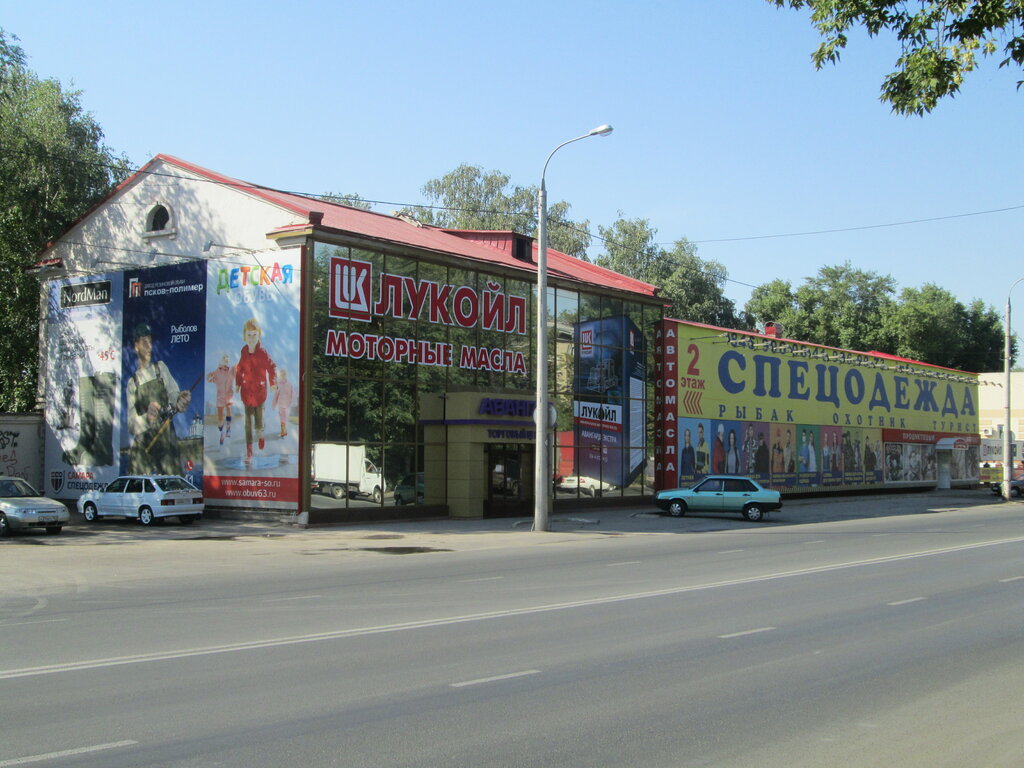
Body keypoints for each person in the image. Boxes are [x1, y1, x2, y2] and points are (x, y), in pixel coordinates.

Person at [126, 322, 190, 475]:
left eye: (150, 341)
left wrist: (181, 400)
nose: (148, 346)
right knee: (135, 487)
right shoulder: (132, 383)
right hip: (144, 445)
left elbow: (174, 396)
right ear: (136, 346)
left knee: (174, 485)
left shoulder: (161, 368)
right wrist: (147, 418)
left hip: (166, 438)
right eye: (143, 342)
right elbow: (131, 425)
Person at [235, 318, 276, 466]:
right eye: (249, 335)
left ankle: (260, 435)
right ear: (244, 336)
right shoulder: (244, 351)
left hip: (259, 394)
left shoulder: (263, 353)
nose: (251, 338)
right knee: (248, 425)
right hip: (246, 393)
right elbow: (240, 369)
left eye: (254, 335)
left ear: (259, 336)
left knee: (258, 423)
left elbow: (271, 367)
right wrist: (238, 384)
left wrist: (272, 383)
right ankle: (249, 452)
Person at [207, 353, 235, 446]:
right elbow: (209, 379)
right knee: (220, 417)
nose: (226, 361)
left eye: (227, 359)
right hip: (220, 396)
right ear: (221, 360)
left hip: (228, 395)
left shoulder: (231, 370)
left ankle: (228, 429)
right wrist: (209, 376)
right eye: (225, 359)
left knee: (228, 409)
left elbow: (238, 374)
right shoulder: (217, 371)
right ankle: (222, 433)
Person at [273, 368, 295, 438]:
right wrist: (274, 404)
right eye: (281, 375)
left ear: (285, 375)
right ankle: (283, 431)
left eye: (283, 375)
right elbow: (276, 394)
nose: (282, 376)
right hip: (282, 403)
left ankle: (284, 430)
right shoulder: (279, 384)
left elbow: (293, 394)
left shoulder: (289, 384)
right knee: (282, 416)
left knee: (283, 417)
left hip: (287, 404)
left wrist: (293, 402)